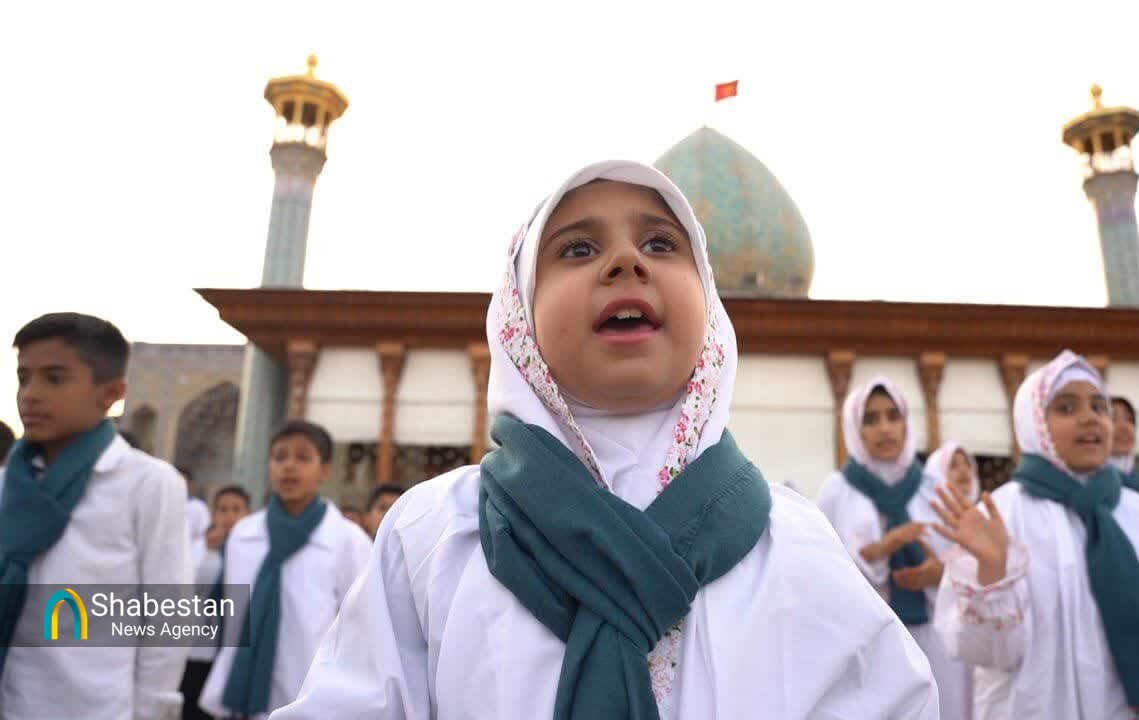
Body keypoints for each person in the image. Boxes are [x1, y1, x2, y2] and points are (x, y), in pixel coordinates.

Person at [273, 160, 939, 719]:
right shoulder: (436, 537)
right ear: (519, 315)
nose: (626, 261)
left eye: (661, 245)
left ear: (709, 306)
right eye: (577, 249)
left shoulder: (791, 545)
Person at [932, 350, 1139, 718]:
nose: (1089, 418)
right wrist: (992, 575)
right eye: (1066, 408)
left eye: (1099, 407)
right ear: (1034, 422)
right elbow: (984, 652)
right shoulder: (1003, 515)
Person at [0, 312, 191, 719]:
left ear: (111, 392)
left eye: (54, 379)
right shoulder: (6, 485)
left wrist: (151, 710)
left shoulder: (147, 483)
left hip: (95, 708)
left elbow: (168, 611)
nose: (30, 395)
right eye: (23, 378)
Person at [199, 420, 372, 717]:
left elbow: (359, 627)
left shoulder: (347, 540)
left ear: (324, 470)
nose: (289, 466)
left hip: (309, 696)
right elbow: (233, 617)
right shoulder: (244, 535)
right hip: (239, 692)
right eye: (280, 457)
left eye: (303, 457)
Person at [817, 380, 969, 720]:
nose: (884, 428)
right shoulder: (837, 492)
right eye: (870, 419)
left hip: (934, 635)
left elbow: (966, 559)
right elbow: (822, 573)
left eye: (892, 416)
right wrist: (881, 549)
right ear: (854, 429)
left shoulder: (933, 489)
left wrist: (939, 572)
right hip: (866, 640)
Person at [182, 485, 252, 720]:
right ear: (214, 515)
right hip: (201, 645)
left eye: (236, 509)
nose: (229, 516)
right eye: (223, 510)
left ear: (248, 514)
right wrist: (207, 551)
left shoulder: (254, 550)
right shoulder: (199, 548)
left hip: (235, 644)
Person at [181, 465, 212, 580]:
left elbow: (203, 535)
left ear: (190, 484)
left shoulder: (199, 507)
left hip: (191, 559)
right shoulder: (163, 505)